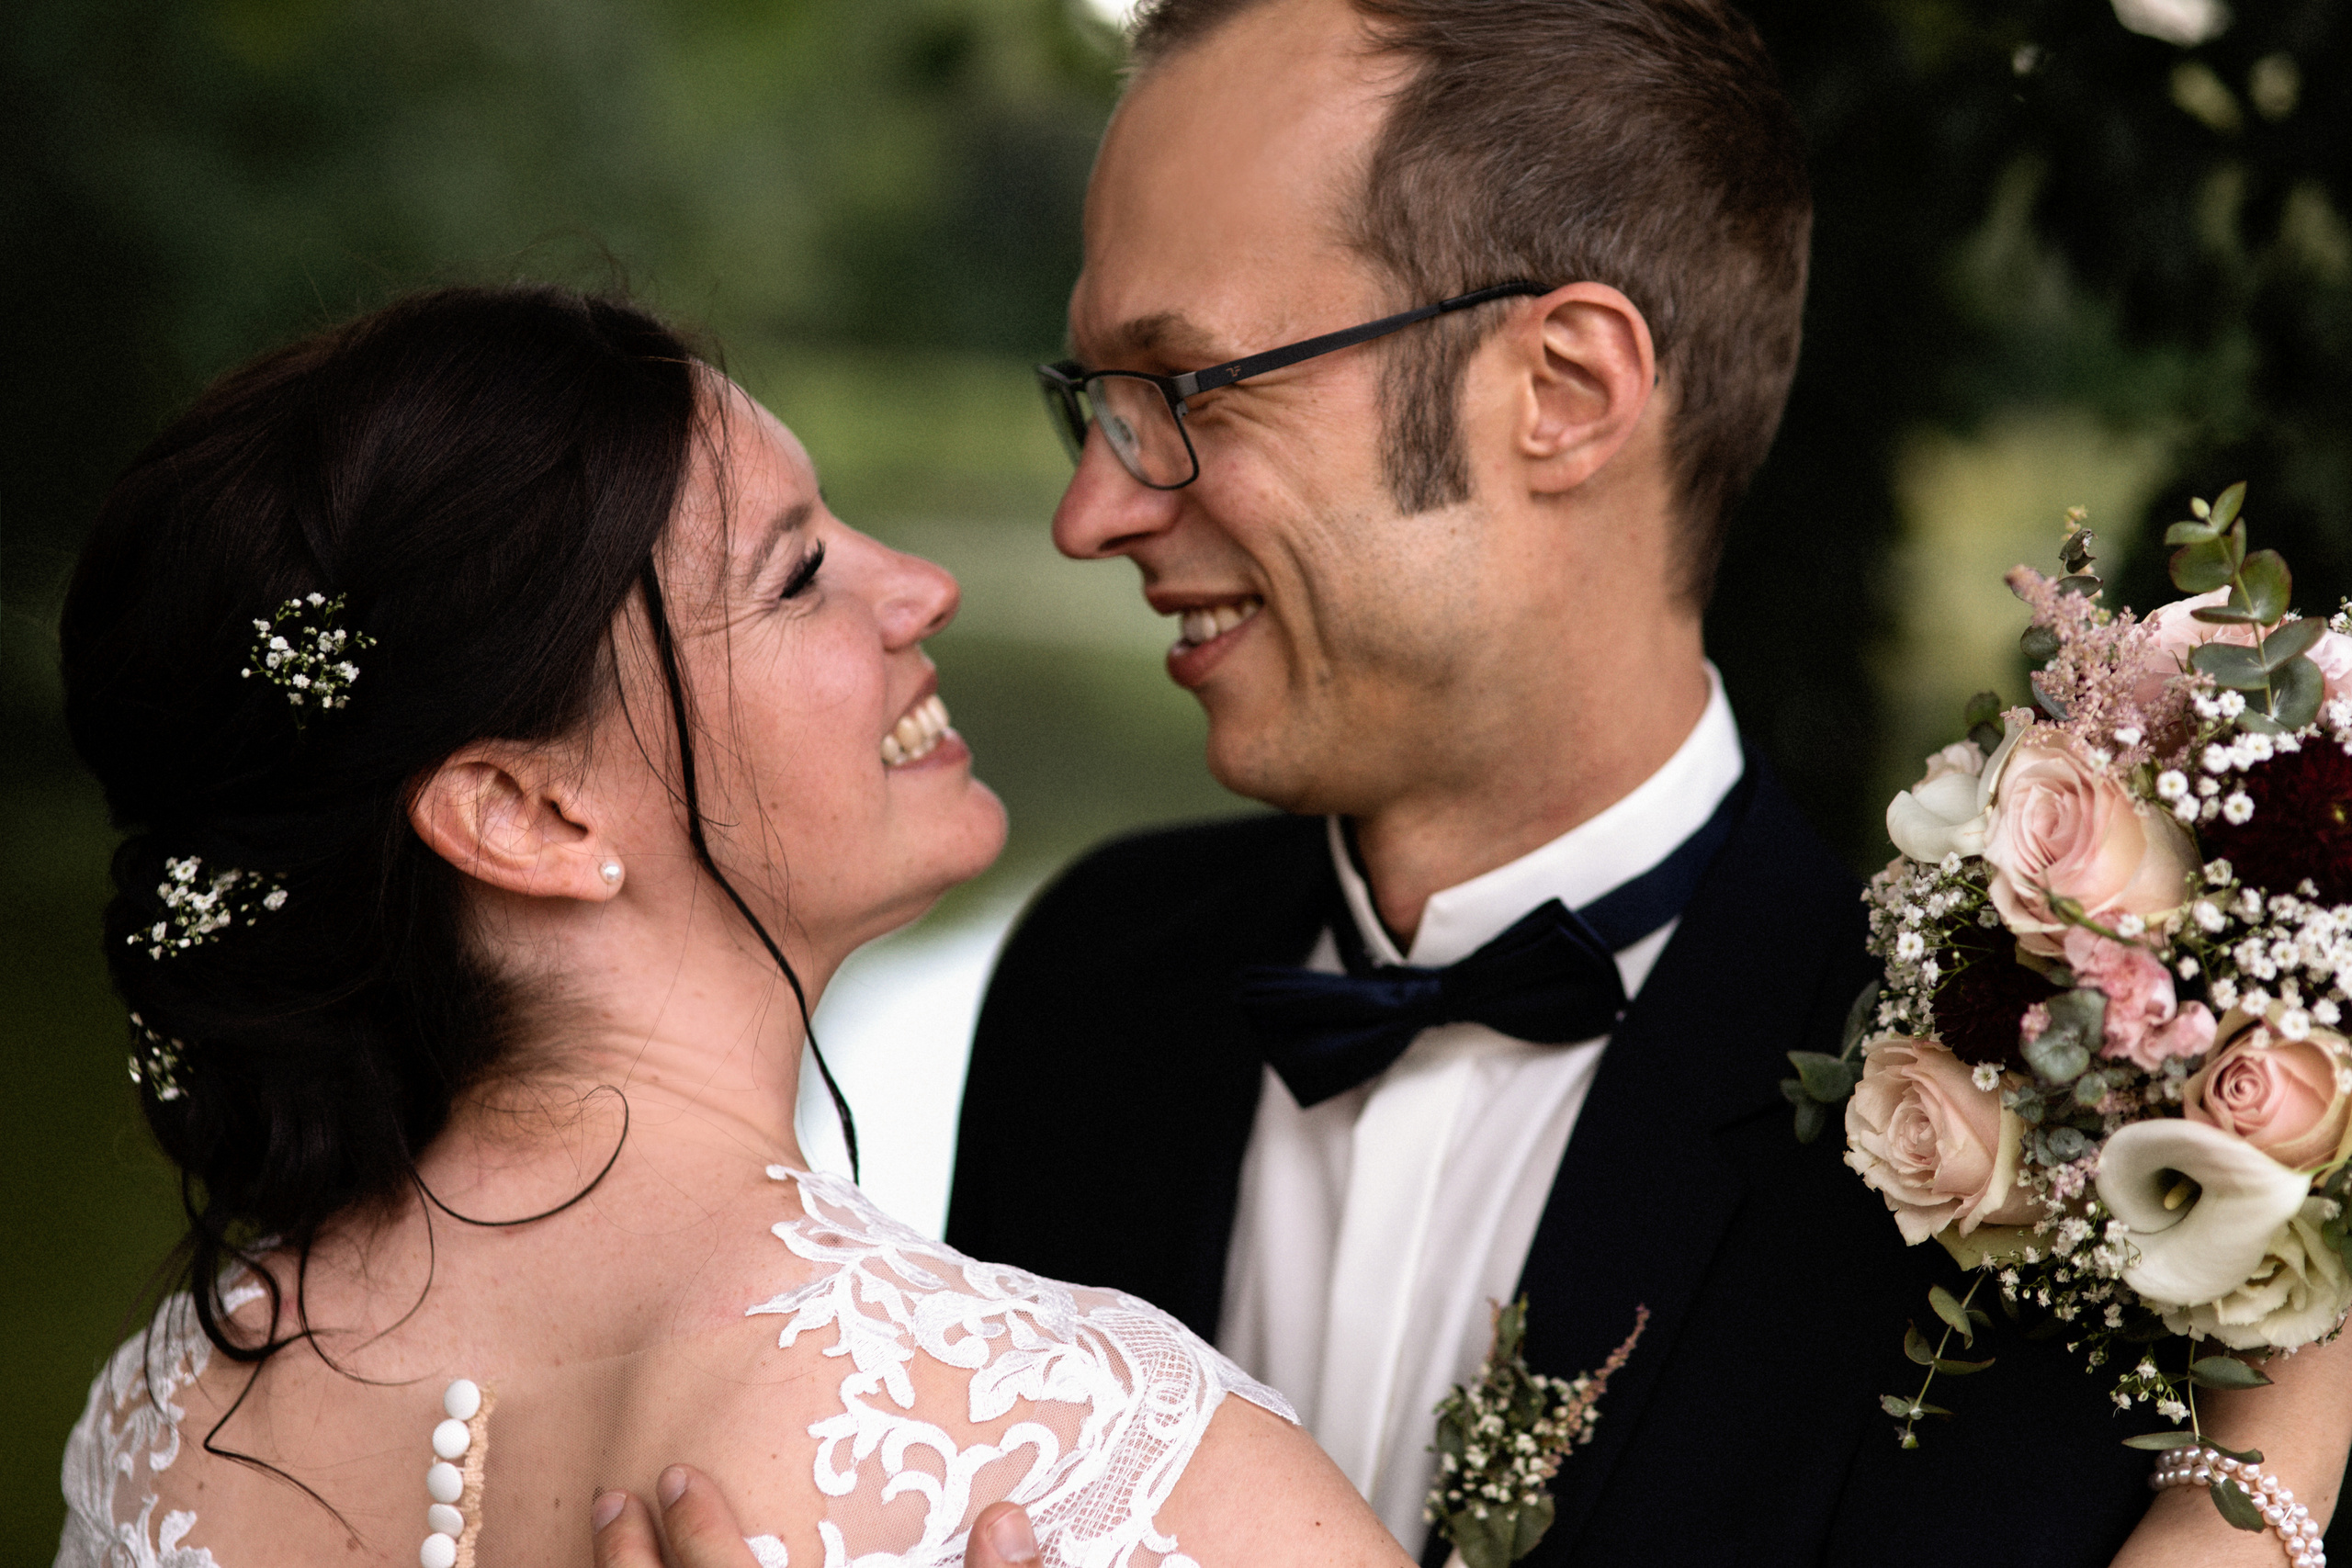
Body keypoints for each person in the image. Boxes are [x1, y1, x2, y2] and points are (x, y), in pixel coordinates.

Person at [944, 1, 2352, 1564]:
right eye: (1096, 399)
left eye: (1187, 389)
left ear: (1564, 388)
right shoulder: (1084, 992)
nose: (1091, 511)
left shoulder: (2007, 1157)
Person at [51, 285, 1411, 1568]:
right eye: (800, 570)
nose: (923, 587)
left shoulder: (162, 1430)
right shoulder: (1045, 1433)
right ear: (531, 813)